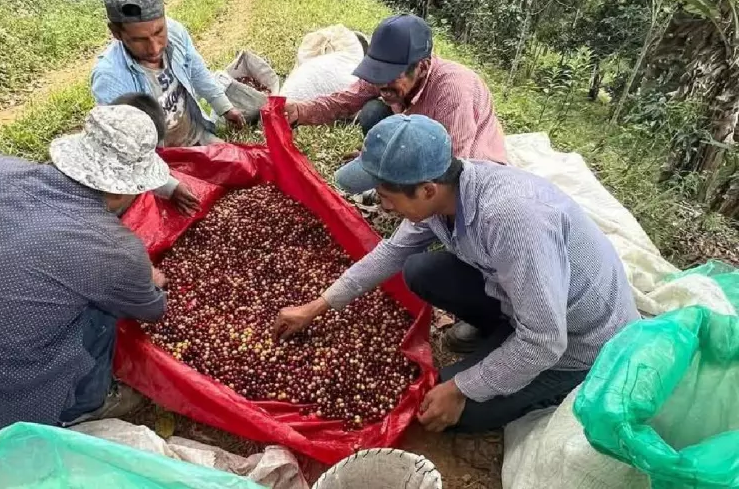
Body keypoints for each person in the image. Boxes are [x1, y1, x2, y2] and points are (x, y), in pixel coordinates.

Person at [273, 114, 638, 433]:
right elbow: (392, 252)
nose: (382, 207)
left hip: (579, 344)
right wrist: (316, 307)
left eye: (386, 196)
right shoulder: (445, 194)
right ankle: (501, 335)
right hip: (526, 305)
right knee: (420, 270)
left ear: (427, 189)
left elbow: (545, 340)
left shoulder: (512, 220)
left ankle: (555, 381)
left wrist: (461, 388)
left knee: (440, 409)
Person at [0, 102, 172, 445]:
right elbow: (152, 309)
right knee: (105, 310)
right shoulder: (113, 248)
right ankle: (84, 404)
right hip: (8, 406)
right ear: (124, 188)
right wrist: (149, 277)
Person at [283, 14, 507, 194]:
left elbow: (454, 165)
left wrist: (406, 195)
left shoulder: (453, 91)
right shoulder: (385, 75)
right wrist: (299, 111)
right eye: (377, 74)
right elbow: (344, 101)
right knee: (371, 117)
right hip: (415, 142)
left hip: (468, 167)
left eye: (390, 77)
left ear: (421, 67)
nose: (382, 85)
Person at [91, 0, 245, 214]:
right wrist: (169, 186)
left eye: (159, 31)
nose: (154, 48)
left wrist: (224, 107)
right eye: (139, 40)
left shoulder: (176, 32)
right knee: (179, 209)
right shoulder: (110, 78)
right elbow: (125, 151)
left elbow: (197, 71)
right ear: (116, 33)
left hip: (195, 136)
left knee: (240, 167)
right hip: (158, 160)